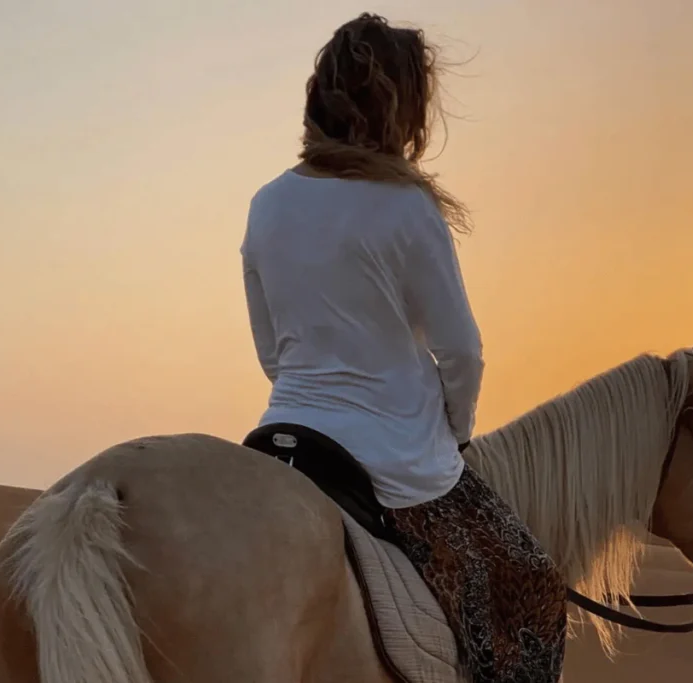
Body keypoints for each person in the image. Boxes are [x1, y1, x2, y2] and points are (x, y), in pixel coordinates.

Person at [240, 13, 567, 683]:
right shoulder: (407, 208)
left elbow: (271, 350)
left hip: (283, 437)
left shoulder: (267, 203)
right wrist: (454, 431)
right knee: (531, 591)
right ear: (403, 109)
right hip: (400, 461)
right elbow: (463, 352)